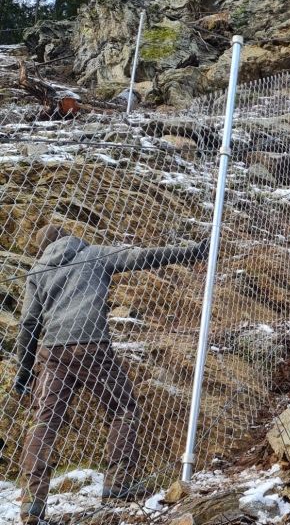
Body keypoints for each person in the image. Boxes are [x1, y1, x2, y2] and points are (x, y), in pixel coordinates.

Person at [13, 225, 209, 525]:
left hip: (53, 353)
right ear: (70, 236)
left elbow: (28, 324)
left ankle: (31, 504)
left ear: (42, 249)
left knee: (45, 423)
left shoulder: (38, 271)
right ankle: (117, 483)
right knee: (122, 409)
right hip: (93, 347)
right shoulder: (92, 255)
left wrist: (25, 371)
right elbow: (140, 257)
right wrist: (191, 252)